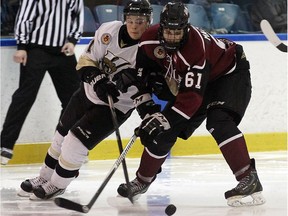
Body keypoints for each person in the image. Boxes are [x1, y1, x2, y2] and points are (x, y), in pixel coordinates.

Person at [114, 2, 265, 207]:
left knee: (218, 121)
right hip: (200, 80)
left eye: (178, 32)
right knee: (164, 131)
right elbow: (141, 79)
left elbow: (190, 101)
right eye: (168, 31)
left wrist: (161, 120)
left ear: (186, 28)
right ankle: (142, 181)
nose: (173, 37)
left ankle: (248, 177)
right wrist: (147, 111)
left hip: (229, 73)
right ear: (160, 27)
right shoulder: (149, 40)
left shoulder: (195, 47)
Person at [17, 0, 155, 200]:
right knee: (60, 136)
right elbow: (86, 60)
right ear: (125, 19)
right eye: (131, 20)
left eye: (140, 21)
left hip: (114, 106)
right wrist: (98, 81)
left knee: (74, 143)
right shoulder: (109, 30)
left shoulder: (148, 50)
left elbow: (145, 86)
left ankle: (57, 184)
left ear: (148, 21)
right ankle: (44, 176)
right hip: (87, 93)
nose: (134, 26)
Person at [0, 0, 84, 165]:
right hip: (36, 49)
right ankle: (5, 144)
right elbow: (25, 17)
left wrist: (73, 40)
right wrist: (22, 46)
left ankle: (62, 145)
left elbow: (77, 16)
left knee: (74, 99)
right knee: (24, 97)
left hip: (63, 51)